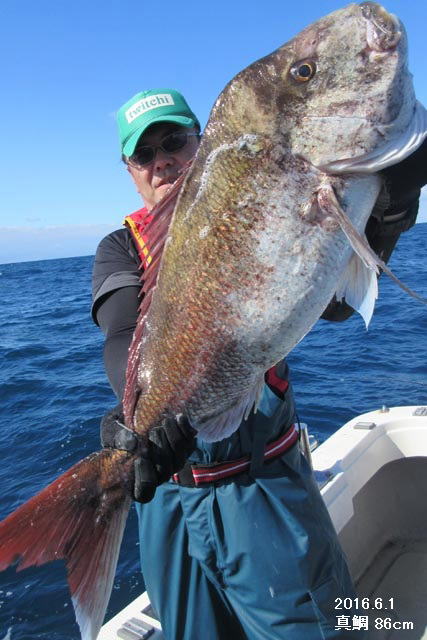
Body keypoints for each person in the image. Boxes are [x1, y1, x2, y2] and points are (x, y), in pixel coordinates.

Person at [92, 88, 426, 639]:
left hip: (267, 487)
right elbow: (121, 335)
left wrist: (391, 209)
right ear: (130, 171)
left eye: (174, 141)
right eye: (144, 154)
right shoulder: (120, 247)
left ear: (203, 143)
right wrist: (139, 424)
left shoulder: (255, 208)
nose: (162, 161)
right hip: (167, 497)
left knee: (317, 626)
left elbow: (337, 303)